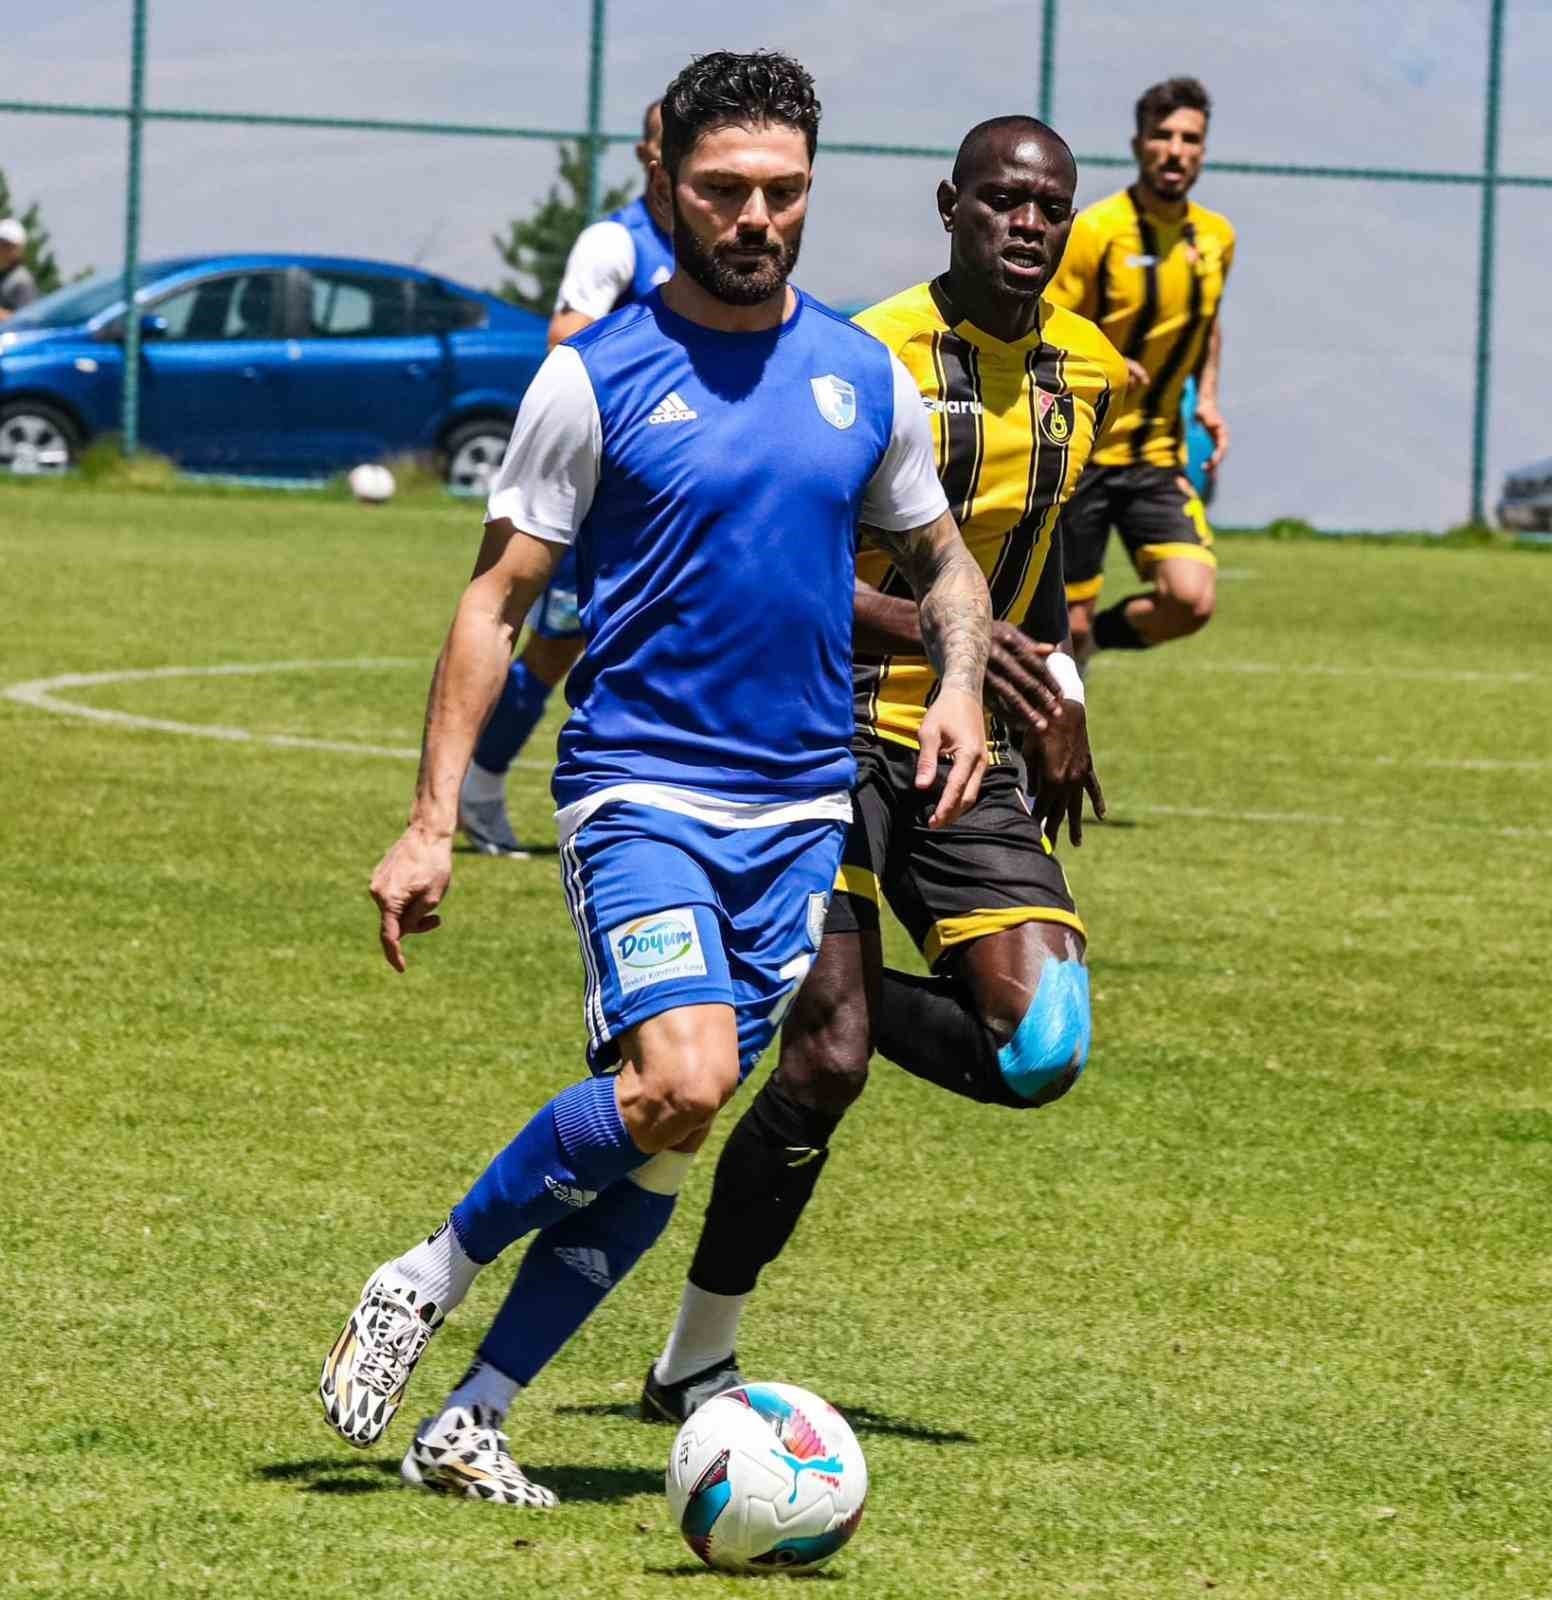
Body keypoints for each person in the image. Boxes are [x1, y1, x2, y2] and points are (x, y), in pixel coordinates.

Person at [318, 50, 994, 1510]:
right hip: (642, 791)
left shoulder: (857, 375)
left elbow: (945, 563)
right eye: (725, 189)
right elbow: (496, 602)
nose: (756, 217)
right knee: (684, 1079)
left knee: (668, 1127)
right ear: (669, 188)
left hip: (799, 810)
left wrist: (957, 685)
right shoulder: (596, 375)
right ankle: (427, 1273)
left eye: (783, 191)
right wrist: (432, 823)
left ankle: (474, 1419)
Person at [639, 114, 1127, 1422]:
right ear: (949, 206)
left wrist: (1056, 690)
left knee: (1041, 1047)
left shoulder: (1089, 373)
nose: (1027, 225)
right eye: (1002, 201)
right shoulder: (864, 360)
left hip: (968, 748)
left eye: (1050, 207)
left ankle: (787, 986)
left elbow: (1043, 569)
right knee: (831, 1062)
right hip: (821, 732)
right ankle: (693, 1361)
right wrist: (957, 641)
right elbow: (783, 567)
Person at [458, 101, 675, 859]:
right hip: (602, 494)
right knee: (554, 647)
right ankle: (478, 788)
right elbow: (567, 337)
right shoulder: (617, 241)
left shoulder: (717, 244)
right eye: (666, 142)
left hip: (671, 496)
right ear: (648, 155)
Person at [1043, 77, 1235, 664]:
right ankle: (1066, 671)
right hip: (1084, 456)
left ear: (1202, 150)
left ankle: (1092, 642)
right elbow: (1046, 324)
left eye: (1189, 139)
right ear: (1138, 144)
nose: (1175, 151)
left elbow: (1208, 324)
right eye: (1163, 136)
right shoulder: (1097, 232)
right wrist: (1102, 358)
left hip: (1156, 457)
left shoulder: (1216, 237)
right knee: (1065, 627)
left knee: (1190, 600)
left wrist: (1208, 398)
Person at [0, 219, 39, 320]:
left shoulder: (22, 281)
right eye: (3, 244)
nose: (3, 249)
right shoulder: (4, 276)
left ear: (19, 249)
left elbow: (26, 321)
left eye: (7, 245)